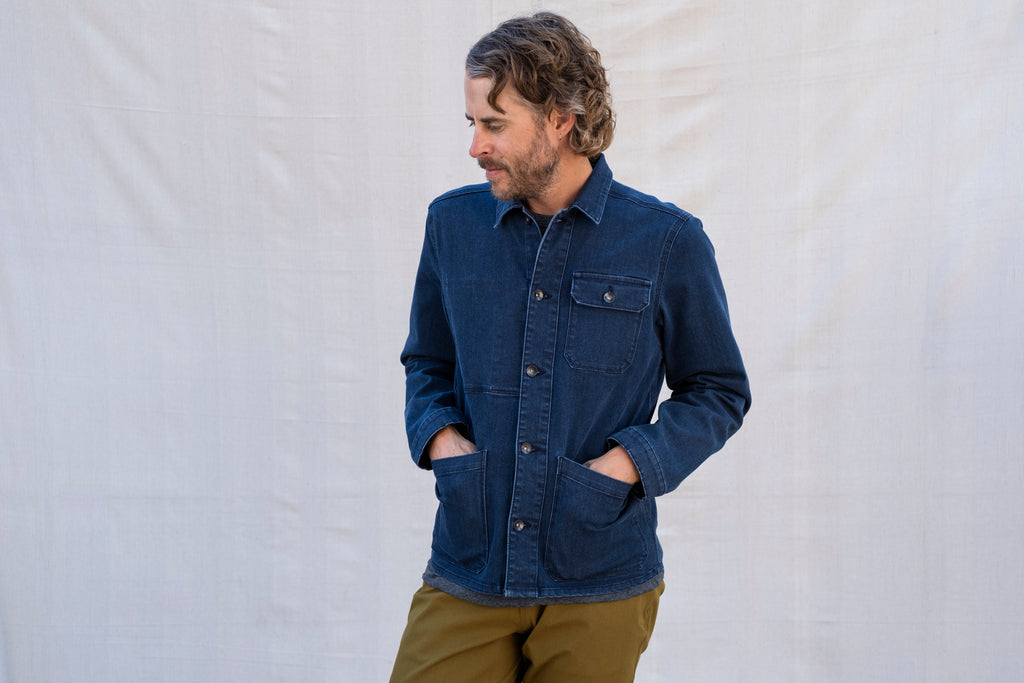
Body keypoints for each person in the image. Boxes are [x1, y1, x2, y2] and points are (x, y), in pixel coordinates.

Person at [391, 11, 750, 683]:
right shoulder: (452, 225)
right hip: (472, 561)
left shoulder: (667, 241)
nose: (476, 147)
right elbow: (427, 362)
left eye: (494, 125)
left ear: (560, 118)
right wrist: (441, 440)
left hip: (599, 573)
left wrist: (627, 463)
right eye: (472, 123)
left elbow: (717, 390)